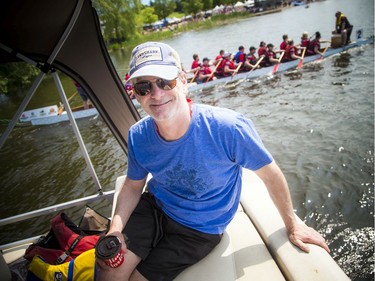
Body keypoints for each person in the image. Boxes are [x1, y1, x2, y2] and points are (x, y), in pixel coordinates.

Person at [96, 41, 330, 281]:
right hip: (154, 208)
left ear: (184, 81)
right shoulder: (138, 135)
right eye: (143, 87)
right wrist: (115, 229)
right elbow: (134, 185)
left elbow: (270, 175)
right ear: (135, 93)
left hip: (199, 230)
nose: (156, 94)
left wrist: (293, 225)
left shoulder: (228, 128)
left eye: (165, 81)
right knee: (108, 274)